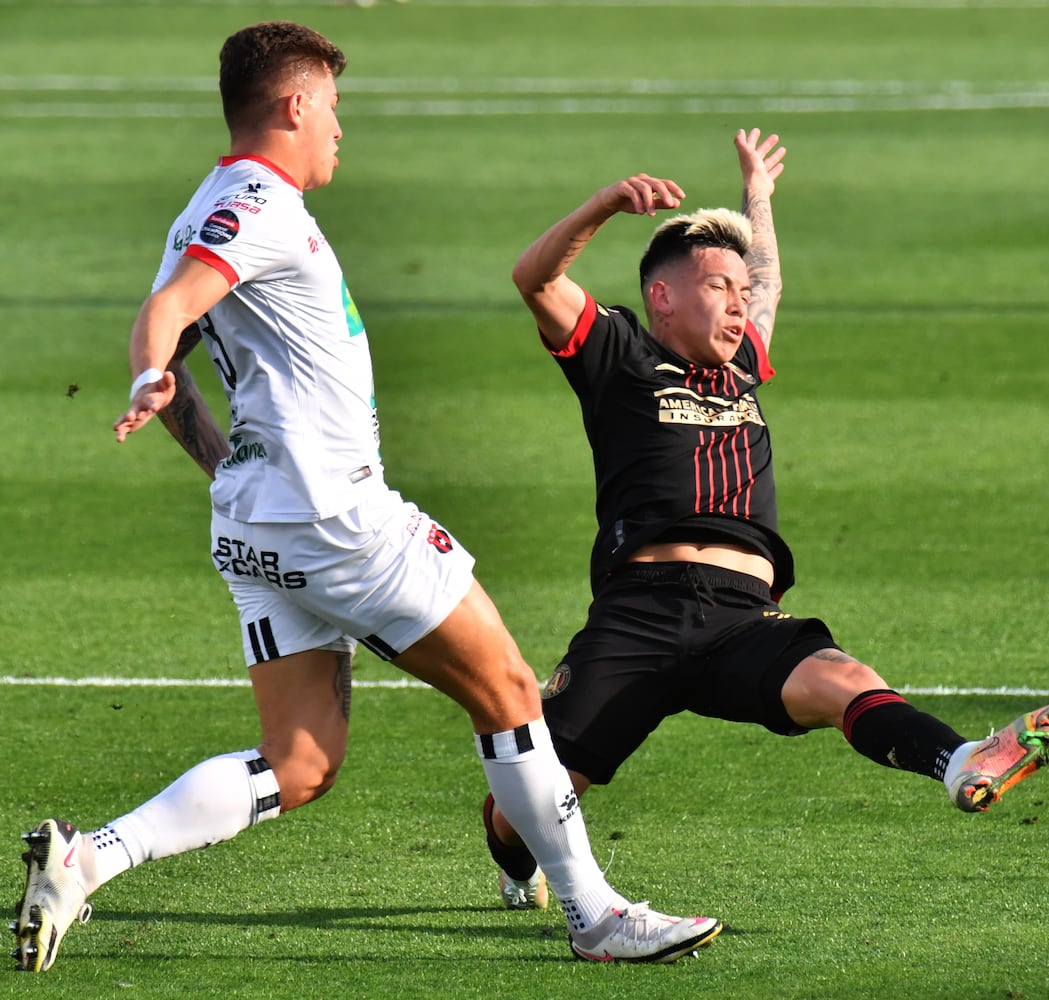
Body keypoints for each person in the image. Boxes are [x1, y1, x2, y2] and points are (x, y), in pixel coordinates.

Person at [10, 21, 720, 972]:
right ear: (295, 106)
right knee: (508, 692)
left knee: (300, 764)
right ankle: (594, 915)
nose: (341, 128)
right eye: (334, 108)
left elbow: (178, 351)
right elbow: (167, 318)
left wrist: (204, 442)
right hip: (335, 517)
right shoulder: (253, 206)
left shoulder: (206, 206)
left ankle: (87, 860)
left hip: (257, 522)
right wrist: (146, 374)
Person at [484, 128, 1049, 909]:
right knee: (523, 807)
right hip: (639, 616)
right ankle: (517, 866)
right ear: (662, 296)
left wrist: (756, 198)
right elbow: (533, 278)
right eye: (717, 286)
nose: (737, 302)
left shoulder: (739, 366)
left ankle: (962, 759)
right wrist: (603, 205)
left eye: (738, 290)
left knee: (844, 681)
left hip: (741, 619)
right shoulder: (619, 351)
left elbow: (769, 285)